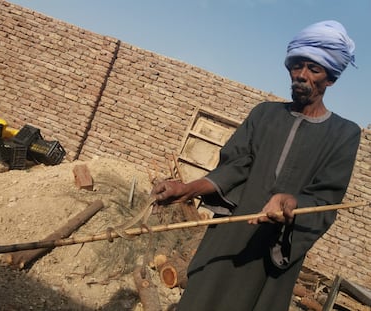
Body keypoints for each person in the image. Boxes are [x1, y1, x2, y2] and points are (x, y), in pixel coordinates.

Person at [152, 20, 360, 311]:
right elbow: (235, 167)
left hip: (273, 256)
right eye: (296, 66)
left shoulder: (344, 134)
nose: (301, 75)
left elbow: (326, 197)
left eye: (314, 69)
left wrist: (291, 203)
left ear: (331, 79)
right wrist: (188, 189)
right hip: (227, 241)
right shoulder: (264, 114)